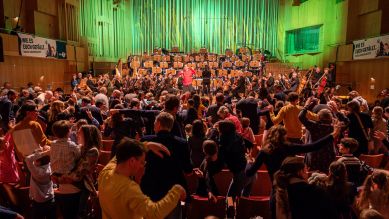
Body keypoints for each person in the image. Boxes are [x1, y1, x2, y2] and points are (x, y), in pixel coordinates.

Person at [98, 137, 187, 219]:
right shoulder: (130, 189)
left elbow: (118, 156)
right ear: (132, 161)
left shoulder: (105, 172)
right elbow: (154, 213)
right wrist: (176, 191)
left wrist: (146, 145)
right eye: (141, 162)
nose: (142, 166)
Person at [140, 112, 193, 219]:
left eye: (155, 122)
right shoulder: (182, 143)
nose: (154, 124)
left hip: (150, 189)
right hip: (172, 190)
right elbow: (188, 170)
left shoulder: (146, 140)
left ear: (158, 124)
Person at [25, 148, 56, 219]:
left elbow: (28, 159)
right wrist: (45, 152)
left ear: (39, 162)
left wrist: (43, 153)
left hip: (38, 203)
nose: (33, 162)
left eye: (35, 160)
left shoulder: (36, 171)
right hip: (51, 199)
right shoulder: (50, 166)